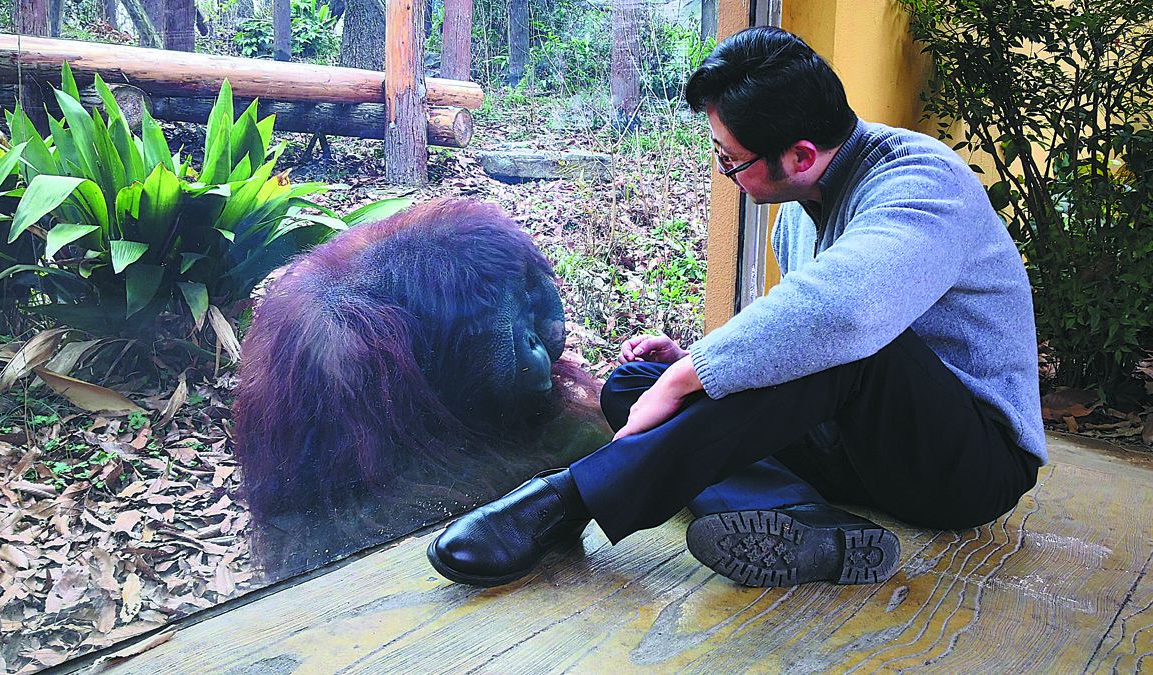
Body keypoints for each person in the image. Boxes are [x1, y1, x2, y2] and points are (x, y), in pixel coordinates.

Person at [426, 26, 1045, 589]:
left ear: (800, 155)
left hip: (965, 466)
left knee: (844, 348)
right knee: (633, 387)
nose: (724, 171)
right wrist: (695, 362)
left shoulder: (923, 184)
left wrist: (692, 376)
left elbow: (844, 316)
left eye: (731, 160)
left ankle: (570, 502)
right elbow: (792, 340)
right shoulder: (807, 197)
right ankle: (805, 521)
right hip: (855, 447)